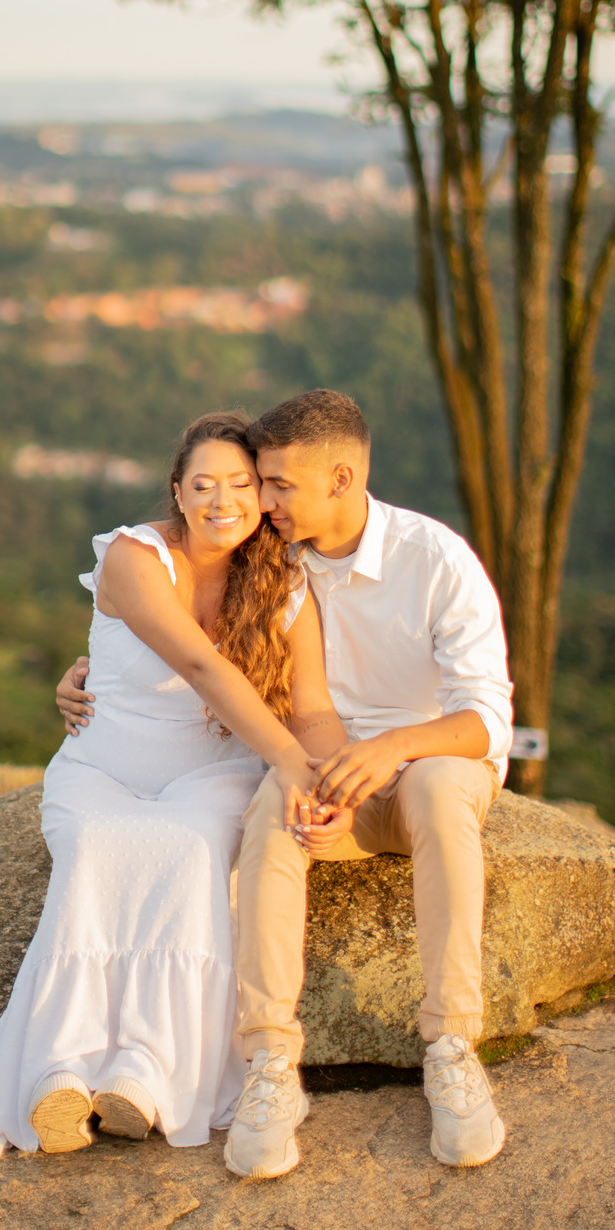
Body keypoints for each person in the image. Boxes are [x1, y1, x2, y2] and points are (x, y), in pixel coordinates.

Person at [58, 388, 513, 1181]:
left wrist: (394, 749)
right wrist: (93, 675)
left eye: (276, 485)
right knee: (270, 805)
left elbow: (487, 719)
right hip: (320, 766)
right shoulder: (273, 557)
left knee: (440, 788)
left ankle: (450, 1048)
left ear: (341, 479)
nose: (261, 501)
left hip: (425, 768)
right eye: (257, 484)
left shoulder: (436, 561)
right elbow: (185, 639)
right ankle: (272, 1065)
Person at [0, 410, 347, 1159]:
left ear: (263, 494)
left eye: (240, 483)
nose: (221, 500)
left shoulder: (284, 584)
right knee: (96, 851)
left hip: (212, 773)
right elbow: (204, 668)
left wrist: (328, 782)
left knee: (193, 845)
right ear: (176, 491)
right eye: (202, 483)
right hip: (101, 769)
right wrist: (293, 765)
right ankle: (58, 1075)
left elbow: (312, 707)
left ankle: (145, 1072)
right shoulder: (135, 558)